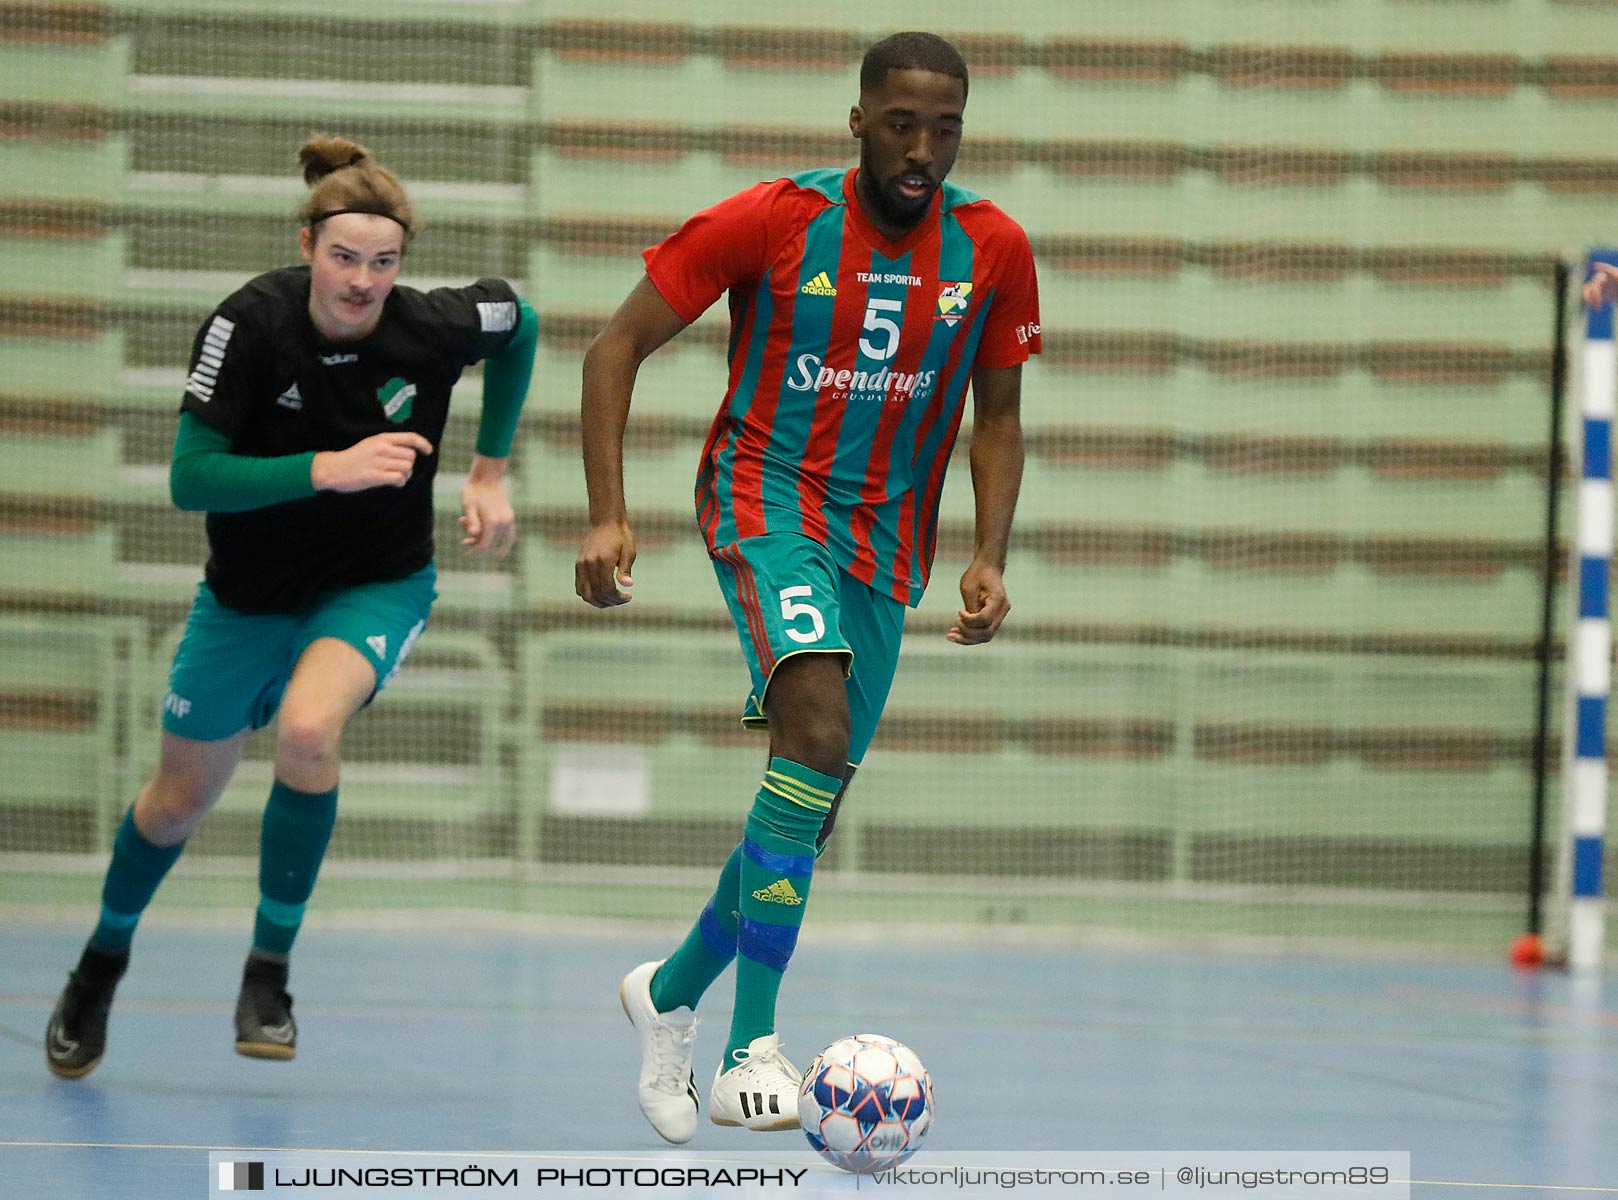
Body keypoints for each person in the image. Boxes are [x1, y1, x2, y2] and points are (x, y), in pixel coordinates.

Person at [574, 32, 1041, 1140]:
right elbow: (613, 346)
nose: (922, 148)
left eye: (945, 128)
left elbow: (1001, 418)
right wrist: (606, 511)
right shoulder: (776, 221)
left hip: (889, 548)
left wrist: (988, 553)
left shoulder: (994, 246)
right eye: (900, 124)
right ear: (858, 121)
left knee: (809, 805)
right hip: (766, 501)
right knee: (817, 730)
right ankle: (752, 1049)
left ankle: (670, 994)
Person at [44, 134, 537, 1079]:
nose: (362, 280)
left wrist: (490, 468)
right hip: (247, 595)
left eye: (383, 262)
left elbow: (524, 321)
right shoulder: (249, 325)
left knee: (310, 736)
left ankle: (268, 974)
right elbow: (191, 480)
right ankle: (101, 962)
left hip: (376, 582)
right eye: (345, 257)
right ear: (309, 242)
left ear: (403, 262)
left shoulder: (427, 328)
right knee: (179, 801)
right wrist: (330, 468)